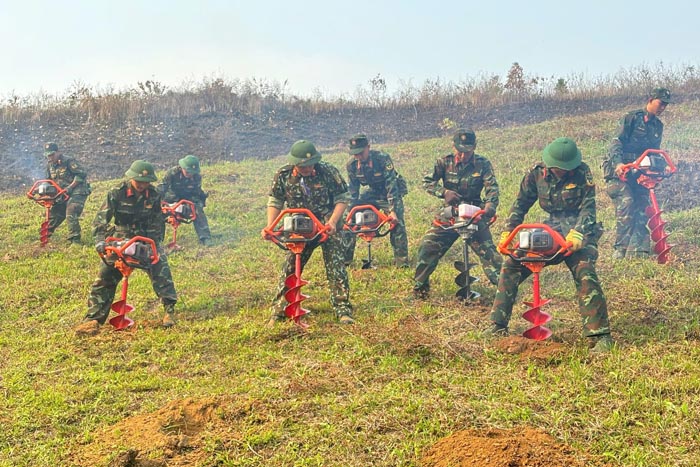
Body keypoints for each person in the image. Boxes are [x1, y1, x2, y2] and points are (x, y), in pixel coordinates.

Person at [488, 137, 613, 352]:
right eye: (559, 170)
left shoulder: (583, 173)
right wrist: (509, 231)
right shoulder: (535, 174)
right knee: (511, 263)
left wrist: (578, 233)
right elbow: (520, 204)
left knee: (585, 271)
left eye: (567, 170)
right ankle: (497, 325)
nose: (563, 173)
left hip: (580, 231)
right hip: (551, 228)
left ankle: (599, 335)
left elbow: (588, 209)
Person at [75, 160, 178, 336]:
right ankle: (92, 319)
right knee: (105, 276)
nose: (142, 185)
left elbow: (157, 222)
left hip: (145, 237)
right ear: (131, 178)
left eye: (146, 182)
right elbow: (100, 221)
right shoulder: (116, 193)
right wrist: (101, 242)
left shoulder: (154, 195)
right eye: (139, 181)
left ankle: (169, 310)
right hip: (121, 237)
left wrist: (154, 244)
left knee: (160, 268)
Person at [262, 140, 354, 325]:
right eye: (303, 166)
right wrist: (270, 227)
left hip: (325, 224)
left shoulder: (328, 171)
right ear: (294, 163)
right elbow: (275, 201)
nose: (308, 168)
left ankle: (343, 309)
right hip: (299, 226)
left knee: (336, 265)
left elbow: (342, 198)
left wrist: (333, 222)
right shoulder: (283, 175)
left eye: (311, 164)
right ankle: (280, 311)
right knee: (290, 267)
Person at [413, 129, 502, 298]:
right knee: (428, 246)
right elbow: (427, 182)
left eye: (467, 152)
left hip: (474, 213)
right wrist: (444, 192)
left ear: (474, 147)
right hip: (450, 214)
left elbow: (492, 188)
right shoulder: (443, 162)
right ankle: (420, 288)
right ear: (453, 147)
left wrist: (490, 206)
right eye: (459, 151)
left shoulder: (483, 164)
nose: (462, 156)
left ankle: (505, 290)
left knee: (490, 255)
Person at [603, 87, 671, 259]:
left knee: (643, 206)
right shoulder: (631, 118)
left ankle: (640, 252)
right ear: (650, 99)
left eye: (665, 105)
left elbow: (654, 152)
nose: (663, 107)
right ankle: (620, 251)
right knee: (627, 202)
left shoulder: (658, 126)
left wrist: (662, 167)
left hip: (639, 173)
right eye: (660, 103)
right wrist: (618, 163)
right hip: (619, 173)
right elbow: (615, 143)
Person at [343, 134, 409, 267]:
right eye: (355, 154)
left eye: (361, 153)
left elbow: (391, 185)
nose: (358, 157)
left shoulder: (382, 159)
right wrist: (350, 213)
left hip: (389, 192)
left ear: (368, 147)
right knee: (347, 222)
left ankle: (402, 261)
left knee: (397, 222)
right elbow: (353, 191)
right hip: (373, 192)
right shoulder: (352, 165)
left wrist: (392, 210)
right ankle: (345, 261)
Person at [158, 154, 212, 246]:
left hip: (188, 199)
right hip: (171, 200)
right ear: (182, 168)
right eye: (187, 172)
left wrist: (197, 204)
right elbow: (163, 187)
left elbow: (196, 193)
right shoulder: (172, 173)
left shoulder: (197, 177)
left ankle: (205, 237)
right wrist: (157, 200)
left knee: (197, 209)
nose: (190, 174)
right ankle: (157, 241)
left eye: (192, 172)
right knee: (157, 213)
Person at [43, 142, 91, 244]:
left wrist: (70, 187)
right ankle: (44, 238)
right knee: (55, 214)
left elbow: (81, 175)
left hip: (77, 191)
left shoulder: (69, 161)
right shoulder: (50, 166)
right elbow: (48, 181)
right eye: (48, 155)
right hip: (62, 193)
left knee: (71, 210)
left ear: (58, 152)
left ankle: (75, 241)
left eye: (52, 155)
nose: (50, 157)